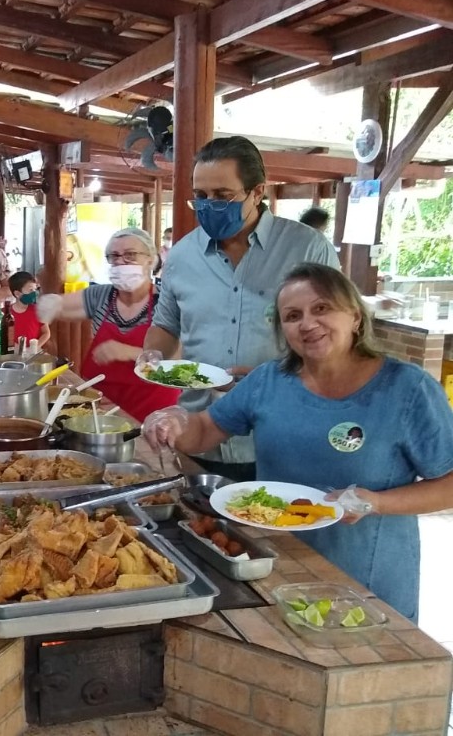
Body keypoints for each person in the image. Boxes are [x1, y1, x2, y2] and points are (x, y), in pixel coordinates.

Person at [143, 264, 453, 622]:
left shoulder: (407, 389)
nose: (307, 324)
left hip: (366, 578)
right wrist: (175, 421)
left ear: (354, 315)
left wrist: (376, 502)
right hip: (277, 567)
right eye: (293, 316)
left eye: (321, 308)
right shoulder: (270, 381)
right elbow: (204, 431)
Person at [141, 135, 340, 480]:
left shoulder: (307, 249)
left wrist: (274, 380)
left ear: (257, 192)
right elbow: (167, 325)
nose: (209, 205)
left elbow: (339, 339)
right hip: (200, 434)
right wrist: (152, 357)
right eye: (200, 197)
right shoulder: (183, 256)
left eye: (223, 196)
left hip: (281, 436)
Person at [37, 228, 180, 421]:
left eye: (130, 255)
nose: (120, 261)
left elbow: (179, 360)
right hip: (102, 409)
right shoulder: (102, 295)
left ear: (150, 259)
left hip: (153, 414)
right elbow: (62, 305)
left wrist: (129, 352)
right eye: (113, 256)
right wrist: (49, 303)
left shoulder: (166, 302)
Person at [7, 271, 50, 350]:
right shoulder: (6, 314)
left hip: (33, 354)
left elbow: (46, 333)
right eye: (30, 290)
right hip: (13, 354)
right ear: (17, 294)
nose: (34, 293)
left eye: (35, 289)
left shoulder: (39, 310)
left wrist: (35, 347)